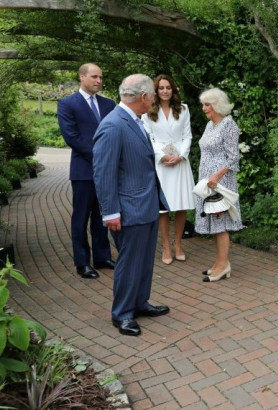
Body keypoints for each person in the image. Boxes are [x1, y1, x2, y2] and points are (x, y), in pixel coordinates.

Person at [93, 74, 171, 336]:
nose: (153, 100)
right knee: (129, 262)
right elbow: (104, 172)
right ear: (143, 97)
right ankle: (122, 313)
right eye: (152, 96)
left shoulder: (134, 120)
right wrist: (110, 212)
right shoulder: (114, 124)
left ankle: (139, 302)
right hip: (128, 209)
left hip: (146, 204)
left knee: (145, 260)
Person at [57, 63, 117, 279]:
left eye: (101, 77)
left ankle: (102, 257)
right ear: (82, 77)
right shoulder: (67, 104)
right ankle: (82, 262)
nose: (99, 81)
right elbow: (71, 137)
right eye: (94, 76)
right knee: (80, 218)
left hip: (107, 172)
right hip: (83, 171)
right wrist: (100, 156)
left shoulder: (109, 104)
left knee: (102, 216)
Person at [142, 74, 196, 265]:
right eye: (161, 88)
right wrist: (162, 156)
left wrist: (181, 155)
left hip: (180, 161)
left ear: (173, 90)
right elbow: (148, 138)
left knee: (181, 205)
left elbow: (188, 135)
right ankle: (166, 246)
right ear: (155, 91)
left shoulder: (183, 109)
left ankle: (178, 244)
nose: (165, 91)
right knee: (163, 209)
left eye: (168, 88)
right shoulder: (148, 111)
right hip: (161, 164)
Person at [196, 88, 242, 282]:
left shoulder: (229, 125)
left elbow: (233, 158)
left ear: (217, 105)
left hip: (220, 181)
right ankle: (219, 262)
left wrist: (216, 176)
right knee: (214, 223)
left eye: (207, 104)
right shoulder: (210, 125)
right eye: (203, 104)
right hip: (208, 180)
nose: (204, 108)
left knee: (220, 221)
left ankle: (223, 265)